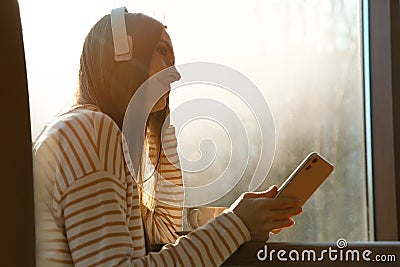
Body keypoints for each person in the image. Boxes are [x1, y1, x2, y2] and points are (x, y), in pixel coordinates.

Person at [33, 7, 303, 267]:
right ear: (123, 56)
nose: (175, 74)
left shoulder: (85, 129)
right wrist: (237, 225)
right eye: (161, 52)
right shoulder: (90, 131)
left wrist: (159, 127)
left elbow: (165, 232)